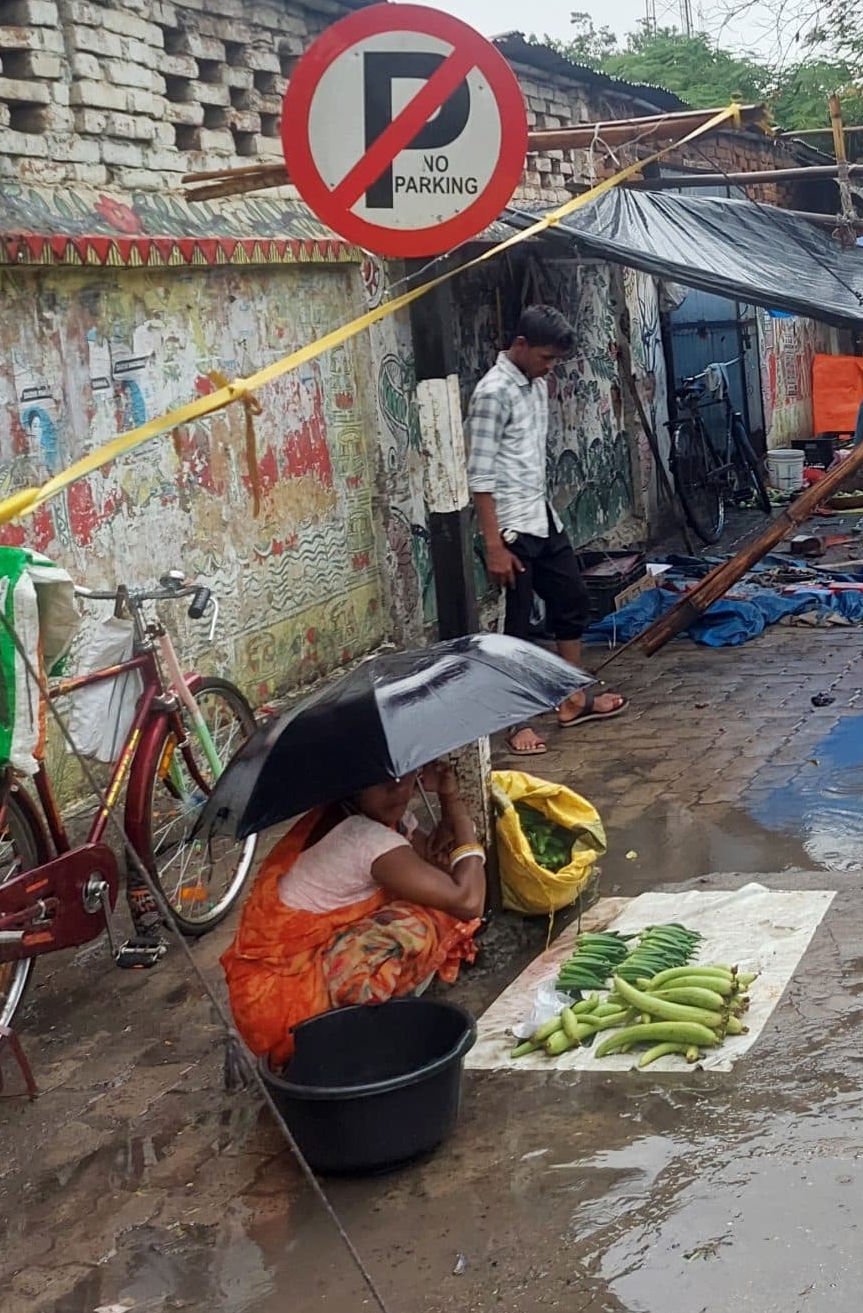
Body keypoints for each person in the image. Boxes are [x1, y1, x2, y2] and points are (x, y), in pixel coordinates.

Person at [223, 766, 486, 1067]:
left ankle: (367, 1016)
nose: (397, 788)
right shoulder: (363, 838)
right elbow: (467, 900)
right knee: (424, 922)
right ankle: (358, 1035)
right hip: (286, 1009)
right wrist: (458, 810)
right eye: (381, 779)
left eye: (405, 774)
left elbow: (439, 865)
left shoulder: (366, 819)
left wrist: (447, 813)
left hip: (270, 991)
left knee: (430, 899)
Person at [467, 305, 628, 752]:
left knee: (572, 600)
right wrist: (494, 545)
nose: (550, 366)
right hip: (511, 528)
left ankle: (572, 697)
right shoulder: (492, 393)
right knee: (517, 628)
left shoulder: (536, 384)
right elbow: (479, 477)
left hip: (541, 515)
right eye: (545, 357)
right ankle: (516, 723)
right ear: (519, 345)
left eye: (556, 360)